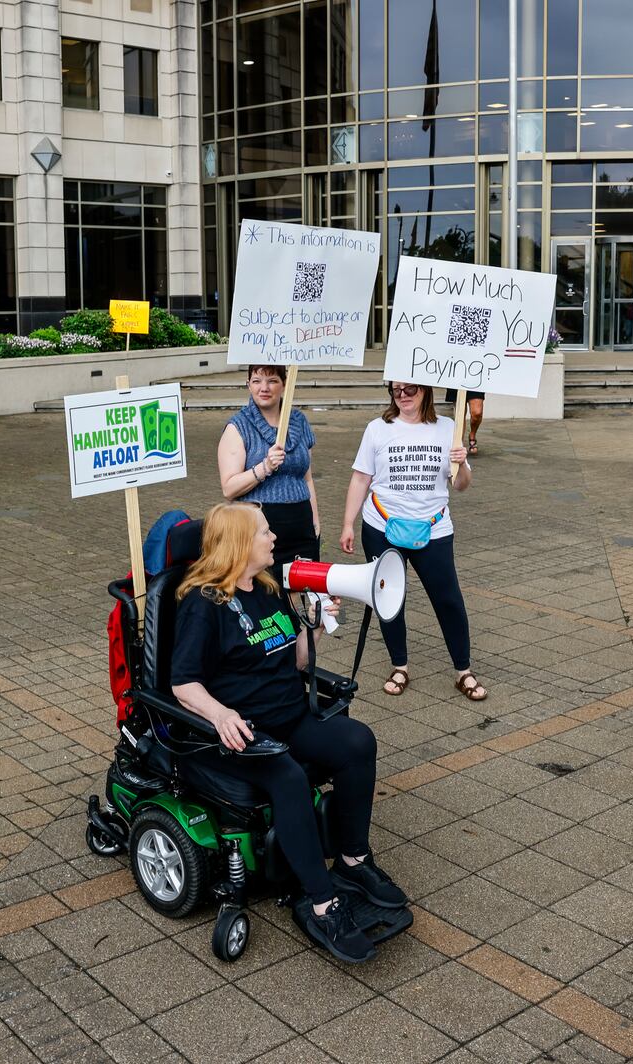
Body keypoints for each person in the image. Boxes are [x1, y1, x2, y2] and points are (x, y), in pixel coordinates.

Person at [171, 502, 405, 964]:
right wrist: (219, 716)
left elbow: (295, 661)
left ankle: (354, 861)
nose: (273, 537)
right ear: (239, 543)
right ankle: (322, 902)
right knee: (290, 779)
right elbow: (183, 683)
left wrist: (316, 627)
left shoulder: (267, 588)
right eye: (263, 531)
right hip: (242, 734)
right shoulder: (202, 605)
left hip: (290, 717)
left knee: (359, 743)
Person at [340, 382, 485, 701]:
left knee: (448, 599)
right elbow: (361, 477)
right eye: (396, 390)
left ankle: (464, 671)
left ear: (426, 390)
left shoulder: (447, 427)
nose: (403, 396)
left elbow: (460, 485)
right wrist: (348, 523)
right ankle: (399, 666)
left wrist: (461, 461)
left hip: (433, 529)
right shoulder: (377, 429)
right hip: (381, 525)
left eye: (411, 390)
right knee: (389, 599)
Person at [218, 364, 320, 566]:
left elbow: (306, 478)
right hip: (258, 531)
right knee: (268, 593)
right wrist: (264, 467)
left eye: (272, 381)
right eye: (256, 381)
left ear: (284, 385)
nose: (264, 388)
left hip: (301, 526)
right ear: (248, 385)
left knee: (301, 591)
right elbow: (229, 489)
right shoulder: (238, 427)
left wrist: (315, 522)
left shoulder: (299, 421)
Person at [443, 388, 485, 454]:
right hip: (458, 380)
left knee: (477, 413)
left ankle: (472, 434)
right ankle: (460, 443)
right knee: (460, 414)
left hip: (475, 380)